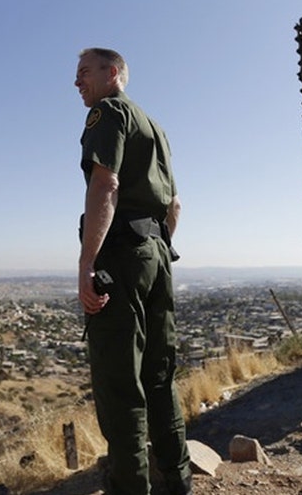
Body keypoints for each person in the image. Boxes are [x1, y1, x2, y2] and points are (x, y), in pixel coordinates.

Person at [74, 47, 191, 495]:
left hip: (122, 255)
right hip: (157, 255)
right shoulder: (155, 127)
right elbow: (175, 204)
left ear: (114, 73)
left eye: (85, 72)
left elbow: (106, 183)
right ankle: (178, 482)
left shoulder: (108, 114)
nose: (77, 82)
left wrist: (88, 262)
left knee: (120, 383)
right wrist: (160, 245)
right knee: (159, 377)